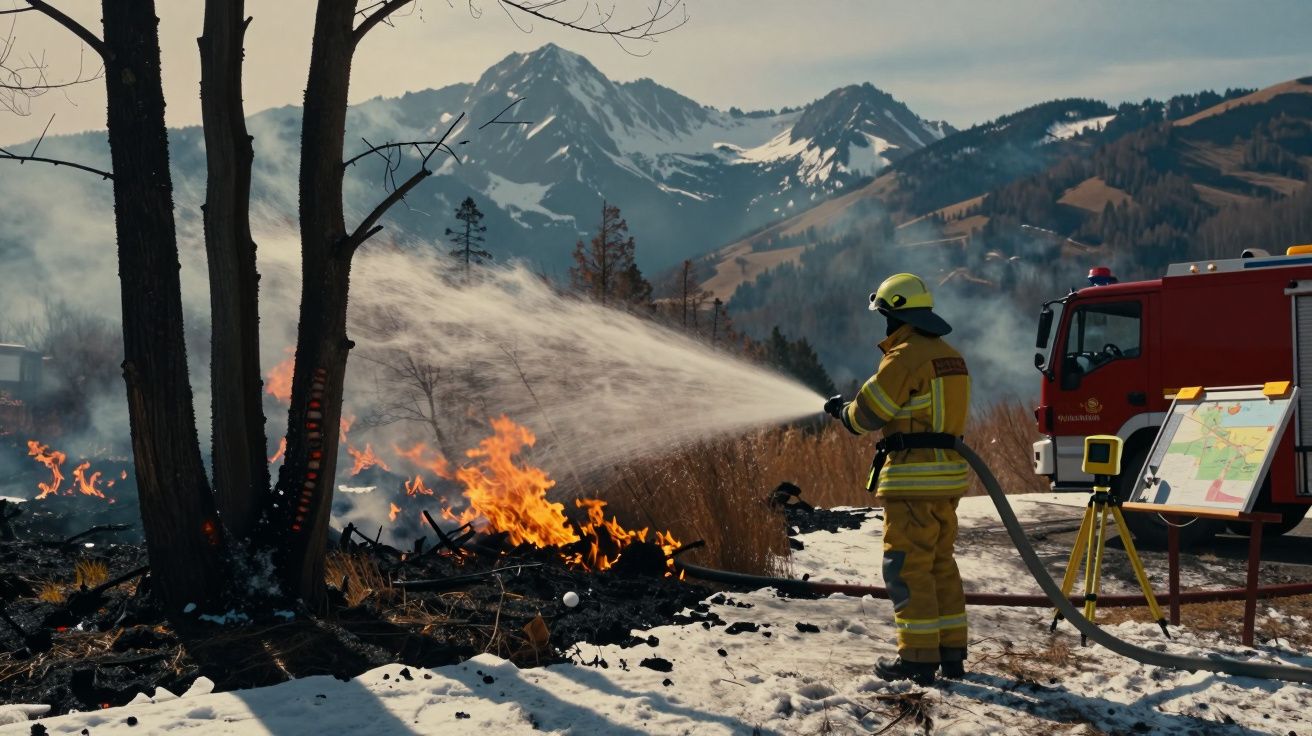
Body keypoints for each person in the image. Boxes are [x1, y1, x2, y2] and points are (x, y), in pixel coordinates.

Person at [823, 272, 971, 685]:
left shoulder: (904, 356)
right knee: (940, 564)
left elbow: (868, 414)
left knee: (906, 568)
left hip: (913, 481)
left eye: (884, 315)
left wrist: (841, 412)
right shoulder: (951, 356)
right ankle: (951, 652)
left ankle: (919, 659)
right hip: (947, 480)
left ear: (895, 315)